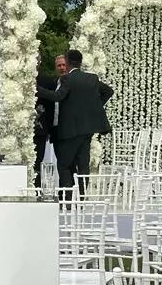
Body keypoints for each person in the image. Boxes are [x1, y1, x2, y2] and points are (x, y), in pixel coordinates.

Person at [36, 49, 113, 189]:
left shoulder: (67, 79)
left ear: (68, 62)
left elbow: (58, 96)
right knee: (83, 165)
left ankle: (68, 198)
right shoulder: (92, 78)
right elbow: (108, 91)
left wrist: (37, 89)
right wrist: (92, 108)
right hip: (86, 130)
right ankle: (81, 200)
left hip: (69, 129)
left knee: (64, 165)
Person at [35, 58, 58, 186]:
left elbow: (51, 105)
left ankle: (37, 187)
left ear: (39, 62)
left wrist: (49, 127)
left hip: (40, 127)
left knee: (38, 159)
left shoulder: (47, 81)